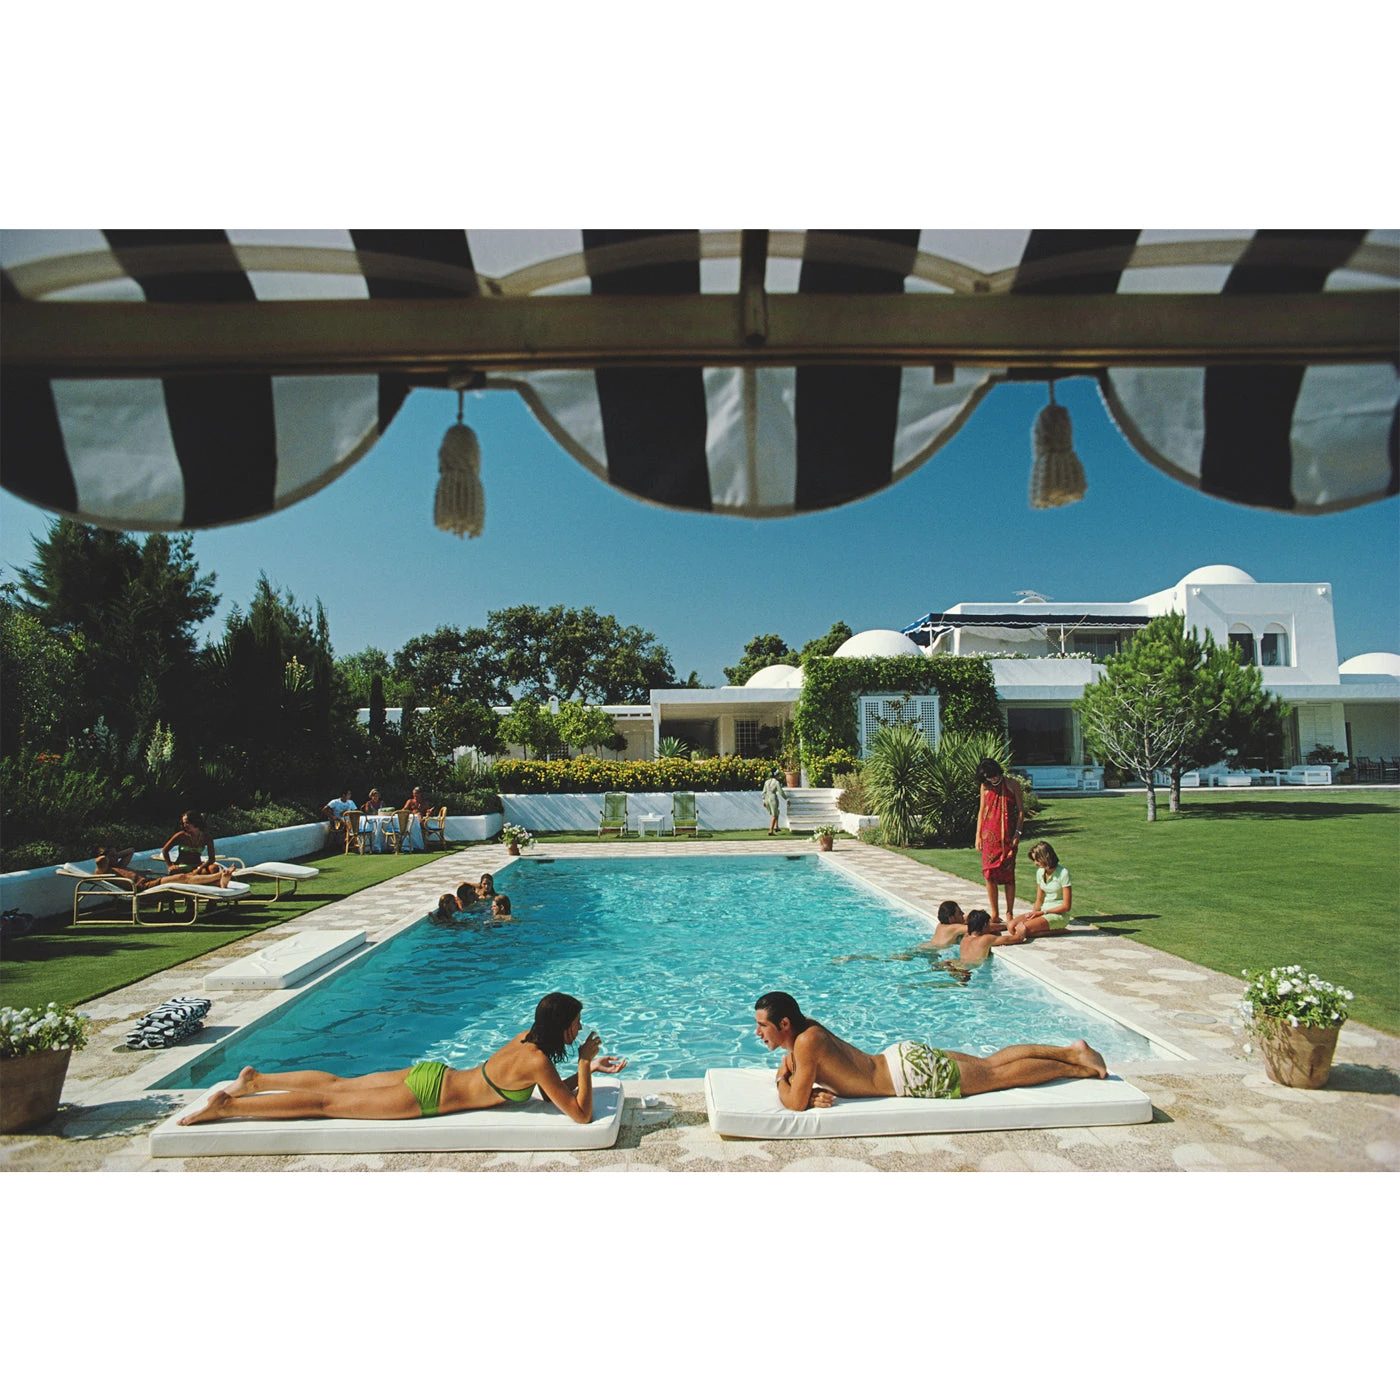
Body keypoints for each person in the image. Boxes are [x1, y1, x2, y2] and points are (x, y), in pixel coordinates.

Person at [177, 992, 628, 1126]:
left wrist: (580, 1070)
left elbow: (550, 1094)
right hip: (427, 1097)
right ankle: (229, 1105)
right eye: (576, 1025)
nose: (579, 1031)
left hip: (432, 1074)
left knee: (337, 1085)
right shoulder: (536, 1062)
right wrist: (586, 1066)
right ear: (562, 1025)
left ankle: (257, 1079)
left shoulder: (527, 1042)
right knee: (326, 1105)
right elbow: (579, 1115)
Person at [752, 990, 1107, 1109]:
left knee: (998, 1076)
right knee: (989, 1064)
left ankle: (1076, 1065)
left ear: (784, 1024)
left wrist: (784, 1079)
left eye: (762, 1026)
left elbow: (794, 1104)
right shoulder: (805, 1034)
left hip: (911, 1076)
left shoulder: (805, 1044)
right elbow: (809, 1082)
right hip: (902, 1060)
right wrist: (804, 1083)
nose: (758, 1033)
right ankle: (1070, 1051)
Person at [974, 759, 1024, 925]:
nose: (993, 780)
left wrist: (1018, 833)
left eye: (994, 776)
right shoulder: (985, 787)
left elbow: (1021, 812)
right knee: (989, 875)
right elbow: (981, 811)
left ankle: (1009, 912)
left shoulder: (1012, 784)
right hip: (989, 837)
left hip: (1007, 837)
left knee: (1009, 876)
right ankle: (995, 913)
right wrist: (978, 835)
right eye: (989, 778)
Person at [1004, 841, 1074, 942]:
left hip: (1058, 915)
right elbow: (1039, 899)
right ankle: (1051, 930)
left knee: (1022, 930)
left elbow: (1066, 907)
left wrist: (1043, 912)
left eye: (1037, 860)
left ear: (1045, 857)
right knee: (1011, 926)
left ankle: (1057, 930)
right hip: (1043, 912)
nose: (1035, 863)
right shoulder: (1040, 872)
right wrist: (1034, 914)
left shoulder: (1063, 873)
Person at [917, 900, 1005, 951]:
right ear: (951, 918)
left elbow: (966, 919)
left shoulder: (941, 925)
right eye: (959, 913)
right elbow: (977, 926)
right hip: (934, 952)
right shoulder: (954, 928)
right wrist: (1006, 925)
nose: (963, 913)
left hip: (926, 948)